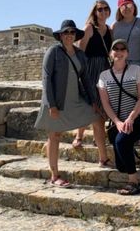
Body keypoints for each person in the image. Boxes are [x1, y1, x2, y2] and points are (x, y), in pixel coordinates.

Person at [34, 19, 98, 188]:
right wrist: (51, 105)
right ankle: (54, 175)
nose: (69, 35)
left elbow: (85, 78)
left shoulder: (80, 54)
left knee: (96, 116)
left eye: (72, 32)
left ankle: (103, 159)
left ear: (76, 35)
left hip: (74, 99)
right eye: (66, 32)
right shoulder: (53, 52)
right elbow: (46, 79)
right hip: (57, 101)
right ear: (61, 35)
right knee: (54, 136)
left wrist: (92, 100)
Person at [98, 39, 140, 195]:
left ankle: (133, 182)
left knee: (122, 141)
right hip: (120, 121)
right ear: (111, 53)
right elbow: (105, 103)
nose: (119, 52)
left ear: (127, 53)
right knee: (120, 159)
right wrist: (117, 122)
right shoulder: (104, 76)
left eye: (123, 49)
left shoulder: (136, 70)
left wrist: (130, 119)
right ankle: (129, 160)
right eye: (116, 49)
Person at [72, 0, 112, 167]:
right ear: (95, 12)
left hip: (104, 71)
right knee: (93, 107)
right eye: (99, 9)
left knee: (98, 109)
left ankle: (85, 139)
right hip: (90, 71)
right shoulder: (89, 28)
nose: (102, 12)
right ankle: (99, 154)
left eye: (105, 9)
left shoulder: (109, 30)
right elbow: (80, 51)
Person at [111, 0, 140, 75]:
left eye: (129, 5)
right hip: (120, 65)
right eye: (123, 6)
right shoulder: (114, 26)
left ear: (134, 7)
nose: (126, 8)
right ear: (119, 9)